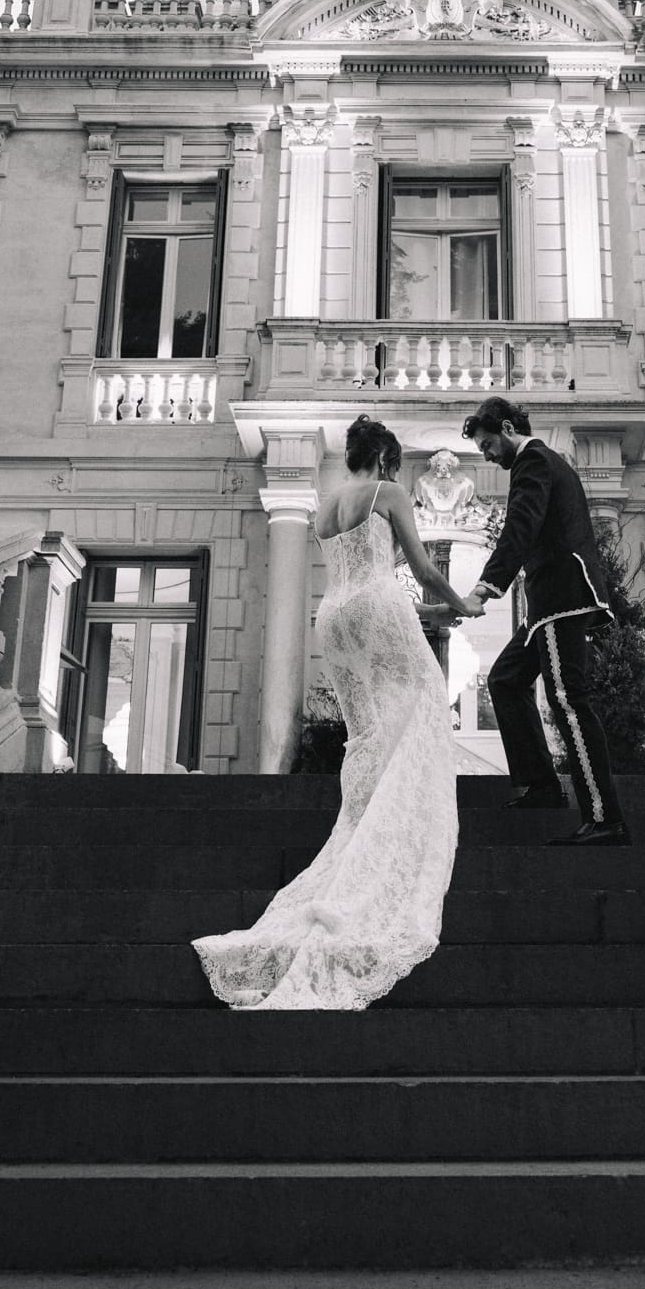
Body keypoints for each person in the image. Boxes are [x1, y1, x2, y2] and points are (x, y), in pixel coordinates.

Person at [192, 415, 469, 1009]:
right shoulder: (388, 492)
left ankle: (362, 822)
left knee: (367, 733)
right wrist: (460, 603)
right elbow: (414, 574)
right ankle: (395, 831)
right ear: (389, 460)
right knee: (423, 702)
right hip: (377, 606)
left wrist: (426, 618)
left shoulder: (323, 506)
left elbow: (361, 589)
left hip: (334, 617)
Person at [460, 397, 631, 847]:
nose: (488, 455)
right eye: (482, 450)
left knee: (568, 700)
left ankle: (603, 816)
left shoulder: (533, 460)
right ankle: (542, 786)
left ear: (509, 428)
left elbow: (522, 526)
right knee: (505, 679)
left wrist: (485, 588)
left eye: (489, 444)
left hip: (561, 598)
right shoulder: (541, 462)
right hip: (547, 603)